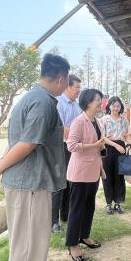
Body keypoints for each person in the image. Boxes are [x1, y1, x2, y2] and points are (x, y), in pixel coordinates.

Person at [0, 53, 70, 261]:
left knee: (33, 240)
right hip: (29, 183)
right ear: (60, 78)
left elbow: (17, 140)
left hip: (30, 182)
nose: (67, 86)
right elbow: (27, 143)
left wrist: (2, 161)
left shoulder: (31, 97)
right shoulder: (43, 102)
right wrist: (1, 166)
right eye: (67, 81)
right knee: (26, 244)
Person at [65, 88, 110, 261]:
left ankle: (84, 236)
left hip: (93, 171)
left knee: (89, 206)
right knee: (77, 209)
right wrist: (94, 145)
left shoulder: (97, 121)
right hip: (80, 173)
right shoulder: (78, 121)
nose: (101, 102)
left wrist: (101, 147)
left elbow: (98, 143)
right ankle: (72, 245)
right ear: (88, 102)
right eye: (98, 99)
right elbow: (71, 146)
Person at [52, 75, 82, 232]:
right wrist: (79, 139)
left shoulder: (76, 106)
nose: (79, 90)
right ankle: (53, 222)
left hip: (73, 148)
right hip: (61, 147)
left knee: (71, 181)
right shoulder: (59, 103)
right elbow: (62, 128)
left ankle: (66, 215)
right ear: (68, 87)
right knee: (59, 184)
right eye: (77, 87)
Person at [101, 96, 131, 215]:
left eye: (118, 106)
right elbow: (103, 138)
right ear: (109, 106)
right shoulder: (104, 119)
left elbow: (127, 135)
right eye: (113, 105)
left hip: (121, 149)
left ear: (121, 107)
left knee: (119, 176)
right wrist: (116, 145)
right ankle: (108, 203)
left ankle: (118, 203)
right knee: (107, 176)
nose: (116, 108)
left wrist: (128, 145)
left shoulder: (124, 119)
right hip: (108, 148)